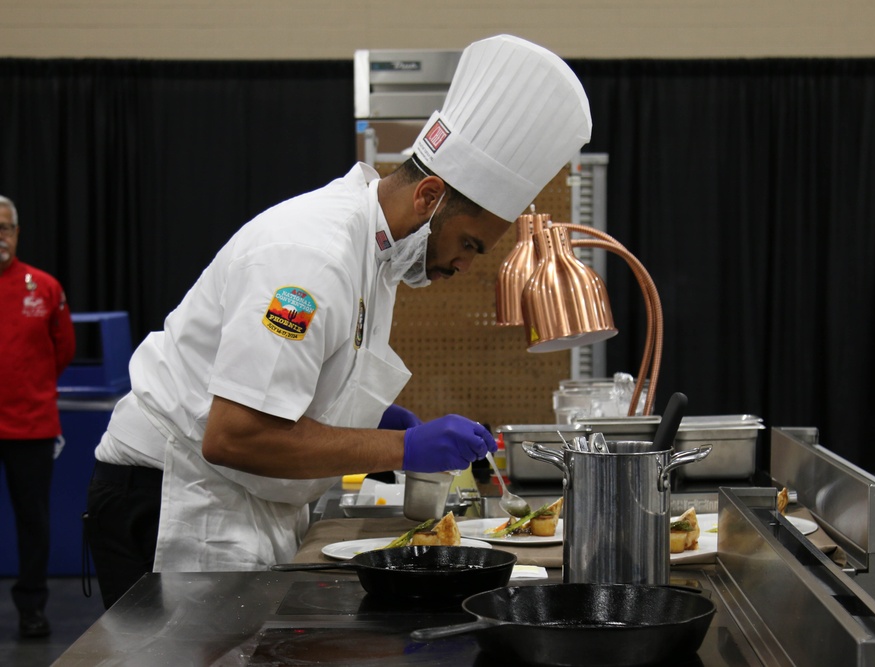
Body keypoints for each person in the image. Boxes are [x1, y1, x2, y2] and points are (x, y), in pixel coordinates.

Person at [84, 33, 592, 608]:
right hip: (176, 497)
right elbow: (235, 435)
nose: (464, 265)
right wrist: (399, 450)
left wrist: (374, 418)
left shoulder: (375, 256)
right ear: (429, 196)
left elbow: (296, 386)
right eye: (470, 244)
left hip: (242, 499)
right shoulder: (309, 259)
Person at [0, 195, 76, 637]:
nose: (0, 237)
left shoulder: (43, 286)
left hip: (30, 426)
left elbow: (62, 349)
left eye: (5, 228)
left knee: (33, 522)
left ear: (17, 233)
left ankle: (32, 609)